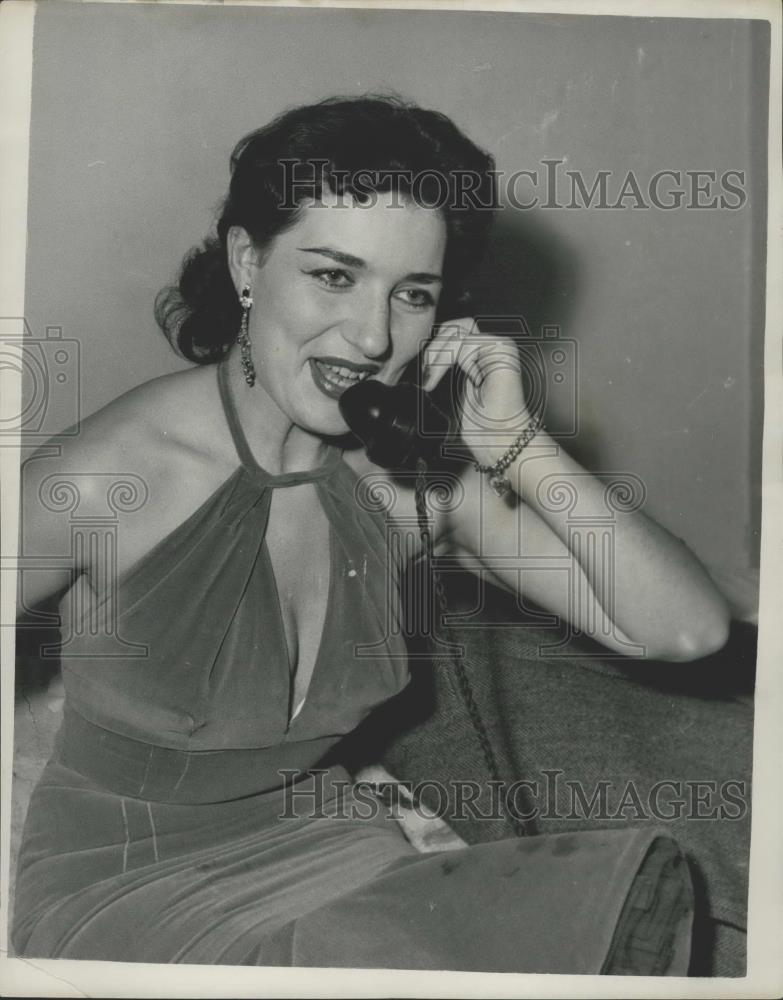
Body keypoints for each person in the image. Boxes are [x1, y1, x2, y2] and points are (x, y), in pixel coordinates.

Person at [12, 95, 730, 973]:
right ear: (247, 262)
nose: (372, 335)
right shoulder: (105, 479)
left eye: (412, 294)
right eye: (333, 276)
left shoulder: (406, 485)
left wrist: (517, 445)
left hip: (331, 854)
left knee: (605, 914)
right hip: (124, 883)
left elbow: (684, 629)